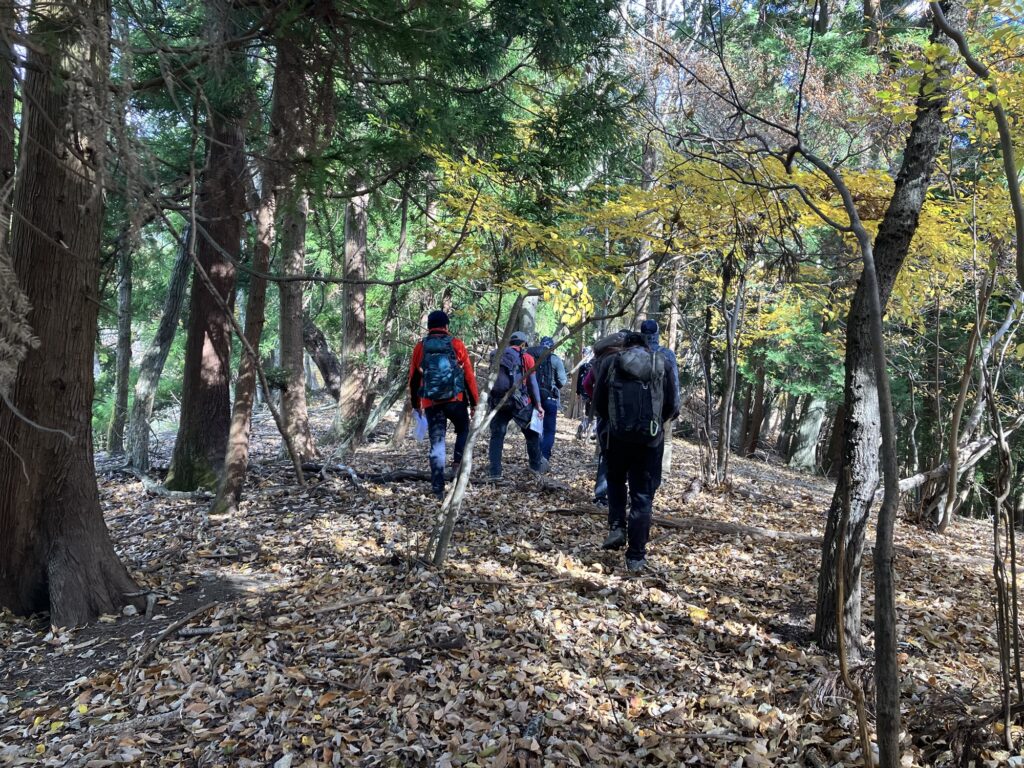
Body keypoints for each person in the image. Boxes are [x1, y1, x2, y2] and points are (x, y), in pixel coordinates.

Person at [593, 331, 679, 572]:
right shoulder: (660, 363)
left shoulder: (611, 363)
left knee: (616, 482)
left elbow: (599, 402)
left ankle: (617, 526)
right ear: (646, 345)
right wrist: (654, 426)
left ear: (625, 345)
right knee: (643, 496)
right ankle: (636, 556)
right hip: (650, 443)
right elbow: (672, 405)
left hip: (616, 439)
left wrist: (613, 424)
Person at [408, 310, 479, 499]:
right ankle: (457, 463)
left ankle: (437, 488)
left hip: (431, 402)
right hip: (456, 400)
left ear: (429, 327)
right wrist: (474, 403)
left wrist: (416, 404)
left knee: (437, 443)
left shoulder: (420, 347)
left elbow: (413, 378)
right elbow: (469, 377)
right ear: (446, 326)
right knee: (463, 429)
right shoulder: (456, 344)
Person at [488, 331, 547, 479]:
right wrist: (538, 404)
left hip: (498, 400)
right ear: (523, 344)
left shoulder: (497, 355)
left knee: (497, 435)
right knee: (531, 434)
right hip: (519, 402)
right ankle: (535, 468)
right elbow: (532, 383)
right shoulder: (526, 357)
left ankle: (495, 472)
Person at [583, 331, 627, 506]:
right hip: (627, 416)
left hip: (605, 416)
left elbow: (587, 384)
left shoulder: (600, 360)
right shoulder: (631, 360)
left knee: (606, 454)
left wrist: (597, 400)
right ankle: (622, 497)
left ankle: (601, 495)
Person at [639, 319, 680, 485]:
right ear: (657, 334)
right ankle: (662, 475)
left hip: (639, 406)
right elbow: (675, 383)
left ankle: (639, 471)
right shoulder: (667, 354)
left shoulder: (636, 352)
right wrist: (675, 408)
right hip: (663, 407)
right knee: (666, 440)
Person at [526, 336, 568, 461]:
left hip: (533, 398)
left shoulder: (531, 357)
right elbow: (562, 380)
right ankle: (544, 457)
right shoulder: (555, 360)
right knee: (549, 430)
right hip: (550, 398)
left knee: (534, 429)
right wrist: (555, 386)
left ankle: (534, 457)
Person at [575, 347, 594, 440]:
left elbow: (579, 381)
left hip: (584, 393)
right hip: (594, 394)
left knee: (585, 413)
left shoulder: (583, 366)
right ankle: (591, 433)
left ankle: (583, 425)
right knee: (594, 415)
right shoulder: (597, 364)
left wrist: (578, 392)